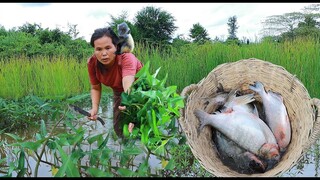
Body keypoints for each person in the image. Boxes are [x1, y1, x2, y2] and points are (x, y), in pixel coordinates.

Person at [87, 27, 143, 138]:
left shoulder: (126, 58)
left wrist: (129, 105)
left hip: (139, 90)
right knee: (119, 128)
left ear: (116, 46)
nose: (104, 53)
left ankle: (145, 151)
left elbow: (128, 82)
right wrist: (94, 108)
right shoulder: (92, 63)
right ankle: (126, 150)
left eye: (108, 48)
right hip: (118, 91)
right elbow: (95, 87)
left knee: (139, 124)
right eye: (98, 49)